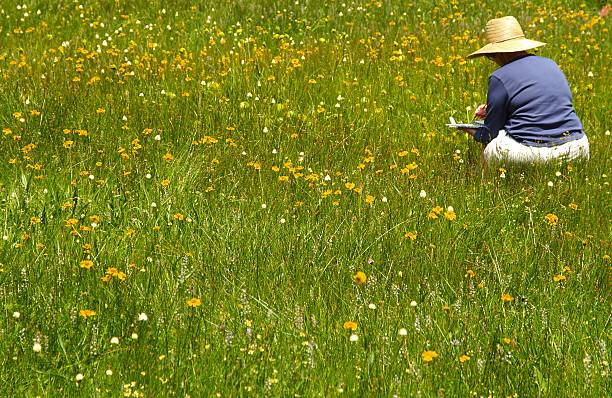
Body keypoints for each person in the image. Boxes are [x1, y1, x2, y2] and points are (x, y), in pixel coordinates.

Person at [461, 16, 589, 164]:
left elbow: (489, 134)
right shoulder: (551, 64)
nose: (493, 61)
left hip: (532, 154)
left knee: (493, 144)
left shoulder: (499, 77)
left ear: (500, 53)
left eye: (491, 56)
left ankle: (486, 184)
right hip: (577, 148)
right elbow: (545, 106)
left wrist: (472, 131)